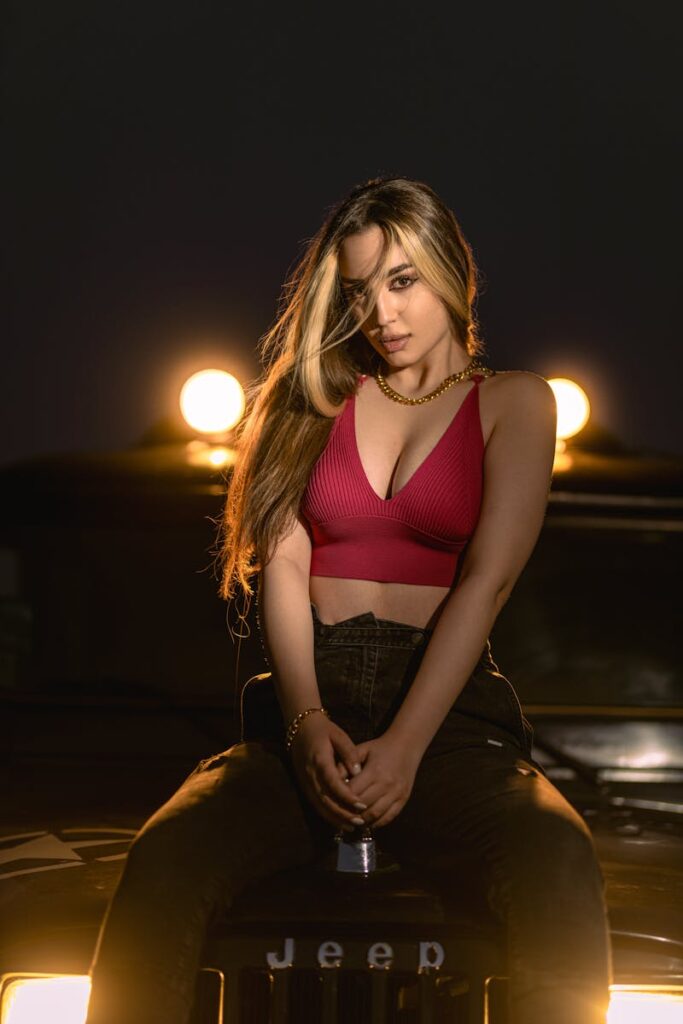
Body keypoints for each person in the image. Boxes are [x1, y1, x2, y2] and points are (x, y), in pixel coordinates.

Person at [84, 176, 613, 1024]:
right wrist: (303, 726)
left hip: (447, 719)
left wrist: (405, 745)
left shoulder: (515, 403)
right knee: (166, 855)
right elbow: (282, 567)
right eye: (360, 290)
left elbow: (487, 581)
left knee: (555, 855)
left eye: (402, 281)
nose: (381, 314)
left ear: (452, 271)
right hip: (307, 702)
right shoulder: (307, 400)